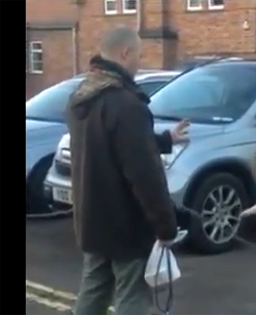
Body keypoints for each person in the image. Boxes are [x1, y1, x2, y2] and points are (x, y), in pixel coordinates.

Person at [66, 26, 189, 315]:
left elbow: (107, 144)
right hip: (125, 225)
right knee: (132, 296)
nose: (139, 62)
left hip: (91, 219)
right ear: (125, 53)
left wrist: (165, 139)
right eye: (138, 55)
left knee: (93, 289)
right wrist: (165, 225)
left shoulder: (81, 97)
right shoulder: (126, 104)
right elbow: (144, 175)